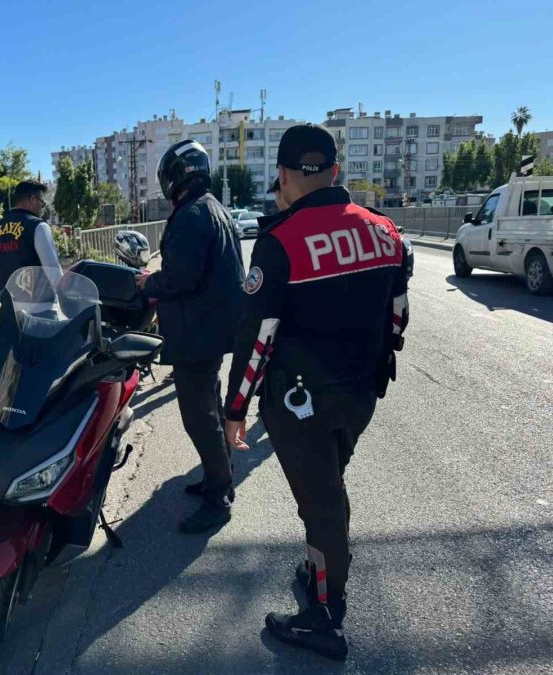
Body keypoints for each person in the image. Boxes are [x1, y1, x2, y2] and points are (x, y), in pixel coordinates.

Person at [222, 124, 410, 660]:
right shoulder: (386, 232)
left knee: (323, 502)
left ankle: (324, 616)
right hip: (361, 395)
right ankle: (319, 567)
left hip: (297, 403)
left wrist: (235, 409)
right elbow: (397, 316)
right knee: (327, 485)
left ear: (282, 174)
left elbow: (257, 338)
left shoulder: (279, 243)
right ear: (335, 171)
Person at [136, 139, 246, 534]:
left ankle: (219, 496)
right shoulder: (213, 208)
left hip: (198, 331)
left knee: (199, 417)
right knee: (210, 409)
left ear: (174, 178)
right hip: (211, 328)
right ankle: (220, 472)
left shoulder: (192, 214)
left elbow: (181, 276)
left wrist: (151, 283)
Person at [0, 180, 62, 291]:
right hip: (39, 305)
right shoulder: (38, 226)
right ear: (33, 199)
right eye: (42, 203)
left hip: (8, 304)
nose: (42, 209)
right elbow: (53, 272)